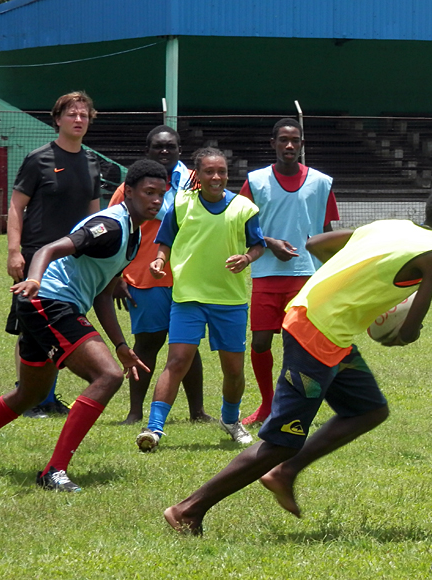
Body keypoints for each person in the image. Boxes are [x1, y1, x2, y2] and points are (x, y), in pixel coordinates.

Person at [162, 186, 432, 536]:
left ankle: (285, 472)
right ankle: (188, 509)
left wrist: (354, 283)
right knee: (281, 441)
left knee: (368, 409)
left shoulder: (392, 225)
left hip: (323, 329)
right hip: (317, 335)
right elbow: (407, 333)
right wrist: (396, 325)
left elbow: (317, 244)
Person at [0, 159, 165, 492]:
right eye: (148, 192)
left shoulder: (133, 236)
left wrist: (122, 345)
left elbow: (102, 294)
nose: (155, 200)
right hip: (47, 300)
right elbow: (49, 248)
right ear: (128, 192)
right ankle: (54, 471)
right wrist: (35, 280)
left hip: (52, 303)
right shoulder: (110, 225)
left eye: (160, 194)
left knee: (31, 393)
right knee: (108, 376)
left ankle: (54, 469)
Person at [135, 147, 265, 452]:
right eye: (209, 171)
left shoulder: (243, 208)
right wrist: (159, 261)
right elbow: (164, 241)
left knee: (233, 370)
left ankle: (231, 421)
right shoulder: (181, 204)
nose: (216, 177)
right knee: (177, 360)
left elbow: (258, 244)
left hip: (229, 300)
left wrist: (247, 258)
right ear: (198, 175)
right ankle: (153, 429)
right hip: (188, 297)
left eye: (221, 171)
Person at [6, 91, 101, 418]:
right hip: (35, 258)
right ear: (57, 119)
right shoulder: (39, 158)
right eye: (72, 114)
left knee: (57, 326)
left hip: (71, 261)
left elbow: (94, 214)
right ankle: (28, 395)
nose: (78, 120)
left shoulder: (91, 162)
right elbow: (16, 206)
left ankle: (46, 397)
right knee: (28, 328)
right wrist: (14, 252)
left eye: (84, 115)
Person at [239, 118, 339, 426]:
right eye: (283, 140)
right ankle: (267, 405)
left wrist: (334, 271)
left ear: (302, 145)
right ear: (273, 144)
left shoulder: (321, 183)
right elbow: (239, 225)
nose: (289, 146)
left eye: (295, 140)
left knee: (299, 345)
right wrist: (269, 243)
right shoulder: (256, 182)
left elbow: (327, 230)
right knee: (260, 343)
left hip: (307, 275)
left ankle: (293, 406)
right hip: (266, 274)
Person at [109, 125, 210, 425]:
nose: (164, 151)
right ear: (148, 150)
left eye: (171, 146)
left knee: (187, 345)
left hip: (188, 276)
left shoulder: (196, 180)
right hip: (145, 278)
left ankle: (197, 412)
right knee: (147, 343)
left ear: (180, 149)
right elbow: (116, 231)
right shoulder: (129, 186)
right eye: (158, 147)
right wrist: (117, 277)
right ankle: (135, 412)